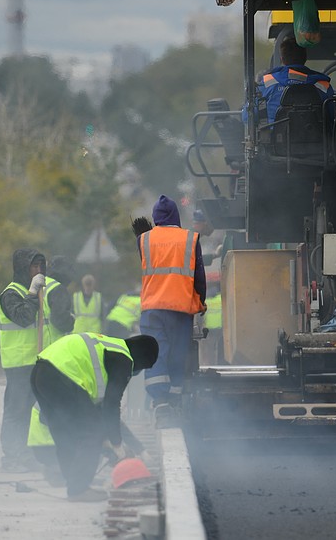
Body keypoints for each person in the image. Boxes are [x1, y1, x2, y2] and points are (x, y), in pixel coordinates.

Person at [30, 332, 158, 502]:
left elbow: (104, 412)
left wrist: (138, 447)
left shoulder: (109, 345)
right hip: (63, 375)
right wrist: (117, 444)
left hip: (41, 371)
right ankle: (78, 489)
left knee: (63, 431)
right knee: (92, 431)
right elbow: (111, 407)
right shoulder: (124, 359)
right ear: (141, 359)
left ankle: (73, 480)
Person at [138, 195, 207, 427]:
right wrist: (200, 303)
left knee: (155, 352)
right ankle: (175, 401)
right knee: (178, 353)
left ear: (156, 218)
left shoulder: (144, 240)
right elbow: (199, 277)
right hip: (179, 309)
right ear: (176, 215)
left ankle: (160, 403)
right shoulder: (190, 239)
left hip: (152, 309)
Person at [0, 249, 53, 473]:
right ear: (22, 268)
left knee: (28, 410)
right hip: (18, 362)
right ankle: (11, 456)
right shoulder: (10, 294)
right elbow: (24, 318)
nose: (38, 271)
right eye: (34, 266)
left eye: (41, 266)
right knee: (15, 410)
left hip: (35, 361)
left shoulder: (37, 292)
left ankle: (23, 453)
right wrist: (32, 292)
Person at [242, 35, 334, 124]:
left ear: (282, 59)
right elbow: (331, 117)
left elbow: (247, 117)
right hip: (317, 139)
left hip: (274, 139)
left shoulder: (267, 84)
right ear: (305, 58)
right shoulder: (323, 86)